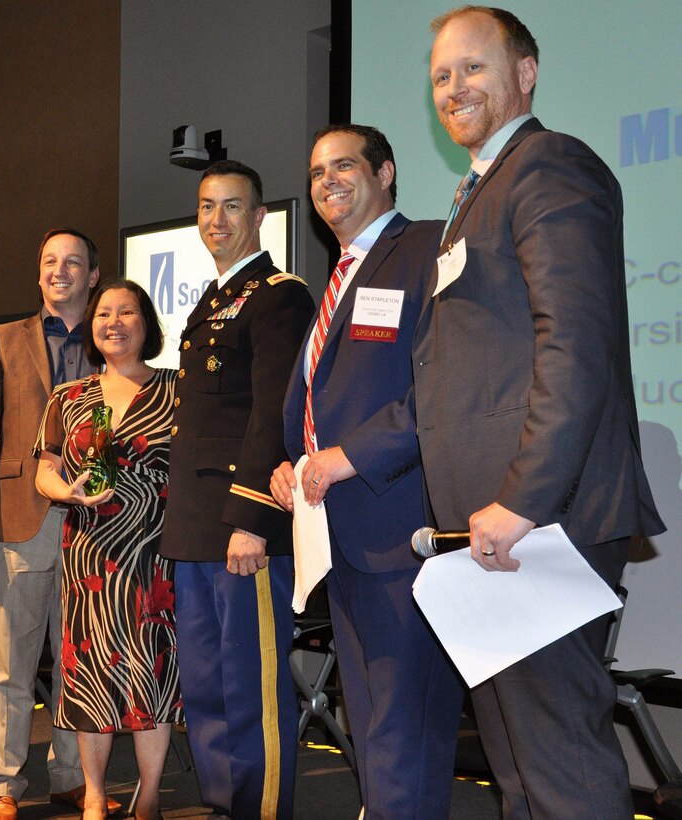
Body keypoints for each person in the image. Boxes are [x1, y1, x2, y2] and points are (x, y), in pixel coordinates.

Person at [416, 7, 665, 818]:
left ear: (525, 72)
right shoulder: (475, 191)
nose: (454, 87)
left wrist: (523, 498)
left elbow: (578, 342)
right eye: (442, 75)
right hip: (488, 524)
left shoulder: (548, 165)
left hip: (538, 519)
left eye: (474, 67)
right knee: (516, 760)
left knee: (555, 755)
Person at [270, 124, 465, 818]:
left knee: (402, 730)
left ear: (385, 171)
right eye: (317, 171)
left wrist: (349, 457)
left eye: (343, 166)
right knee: (378, 727)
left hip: (401, 529)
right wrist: (291, 462)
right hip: (342, 537)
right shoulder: (343, 270)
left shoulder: (426, 248)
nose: (326, 181)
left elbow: (445, 387)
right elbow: (326, 395)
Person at [161, 160, 314, 819]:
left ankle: (259, 808)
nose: (216, 220)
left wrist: (251, 517)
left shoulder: (278, 294)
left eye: (231, 207)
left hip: (241, 522)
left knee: (249, 683)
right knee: (205, 683)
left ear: (258, 218)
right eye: (205, 206)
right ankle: (224, 803)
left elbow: (274, 410)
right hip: (196, 521)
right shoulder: (213, 299)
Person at [0, 229, 111, 820]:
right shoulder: (3, 339)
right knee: (9, 665)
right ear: (38, 272)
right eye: (49, 261)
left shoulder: (112, 335)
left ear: (93, 275)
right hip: (19, 519)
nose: (59, 271)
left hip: (98, 524)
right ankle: (2, 784)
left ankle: (71, 775)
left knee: (79, 660)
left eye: (73, 262)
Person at [35, 279, 181, 820]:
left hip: (154, 555)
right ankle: (94, 795)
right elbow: (46, 468)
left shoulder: (177, 389)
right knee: (91, 671)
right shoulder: (68, 398)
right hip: (89, 556)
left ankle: (149, 795)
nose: (114, 322)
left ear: (147, 325)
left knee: (153, 671)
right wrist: (62, 491)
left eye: (126, 313)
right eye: (103, 314)